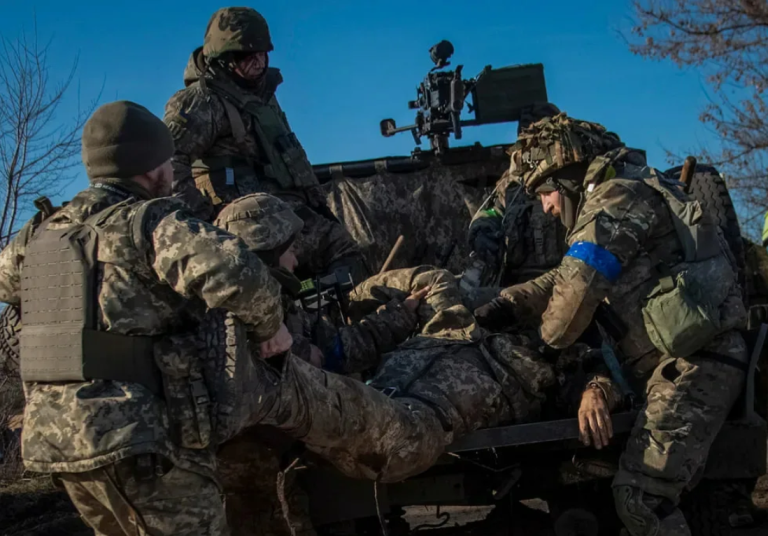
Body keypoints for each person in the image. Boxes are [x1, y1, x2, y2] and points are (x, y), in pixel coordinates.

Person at [0, 101, 290, 535]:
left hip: (56, 440)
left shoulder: (39, 233)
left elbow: (7, 284)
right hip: (138, 439)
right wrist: (271, 329)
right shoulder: (148, 222)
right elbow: (239, 273)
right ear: (154, 169)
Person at [475, 113, 748, 536]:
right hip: (676, 362)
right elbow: (564, 275)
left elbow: (576, 295)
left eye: (545, 192)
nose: (546, 207)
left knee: (642, 500)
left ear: (565, 178)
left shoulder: (615, 199)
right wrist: (510, 302)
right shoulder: (626, 189)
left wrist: (543, 347)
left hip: (697, 366)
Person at [164, 6, 365, 281]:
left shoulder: (264, 96)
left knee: (347, 256)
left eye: (262, 54)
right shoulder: (201, 102)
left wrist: (318, 207)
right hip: (246, 226)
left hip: (287, 214)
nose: (258, 62)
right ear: (223, 58)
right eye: (247, 56)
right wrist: (205, 223)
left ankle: (323, 315)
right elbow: (168, 159)